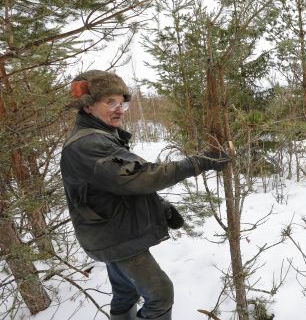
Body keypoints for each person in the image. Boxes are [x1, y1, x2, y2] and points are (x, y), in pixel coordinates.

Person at [60, 70, 228, 320]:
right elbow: (142, 177)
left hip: (108, 230)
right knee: (160, 295)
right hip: (115, 237)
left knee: (125, 292)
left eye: (122, 102)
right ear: (87, 106)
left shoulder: (102, 135)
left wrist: (159, 205)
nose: (119, 109)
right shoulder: (89, 144)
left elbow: (116, 185)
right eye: (110, 102)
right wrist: (198, 162)